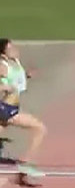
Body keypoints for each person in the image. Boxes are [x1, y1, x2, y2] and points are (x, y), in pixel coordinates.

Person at [0, 38, 47, 179]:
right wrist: (4, 87)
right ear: (3, 54)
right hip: (6, 108)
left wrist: (27, 75)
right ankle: (27, 163)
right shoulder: (2, 66)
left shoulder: (16, 63)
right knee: (40, 128)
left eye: (14, 47)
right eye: (10, 49)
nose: (14, 50)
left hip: (11, 106)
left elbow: (16, 80)